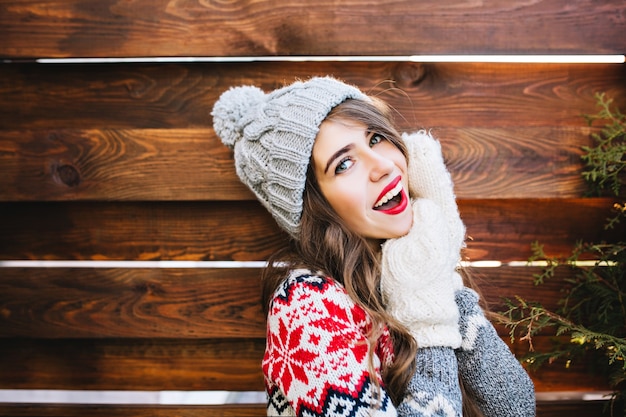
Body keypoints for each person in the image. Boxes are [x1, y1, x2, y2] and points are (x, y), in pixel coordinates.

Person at [212, 76, 535, 417]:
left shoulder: (404, 266)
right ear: (315, 206)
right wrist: (429, 325)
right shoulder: (307, 310)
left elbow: (514, 406)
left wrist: (440, 263)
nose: (382, 166)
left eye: (376, 138)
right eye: (344, 164)